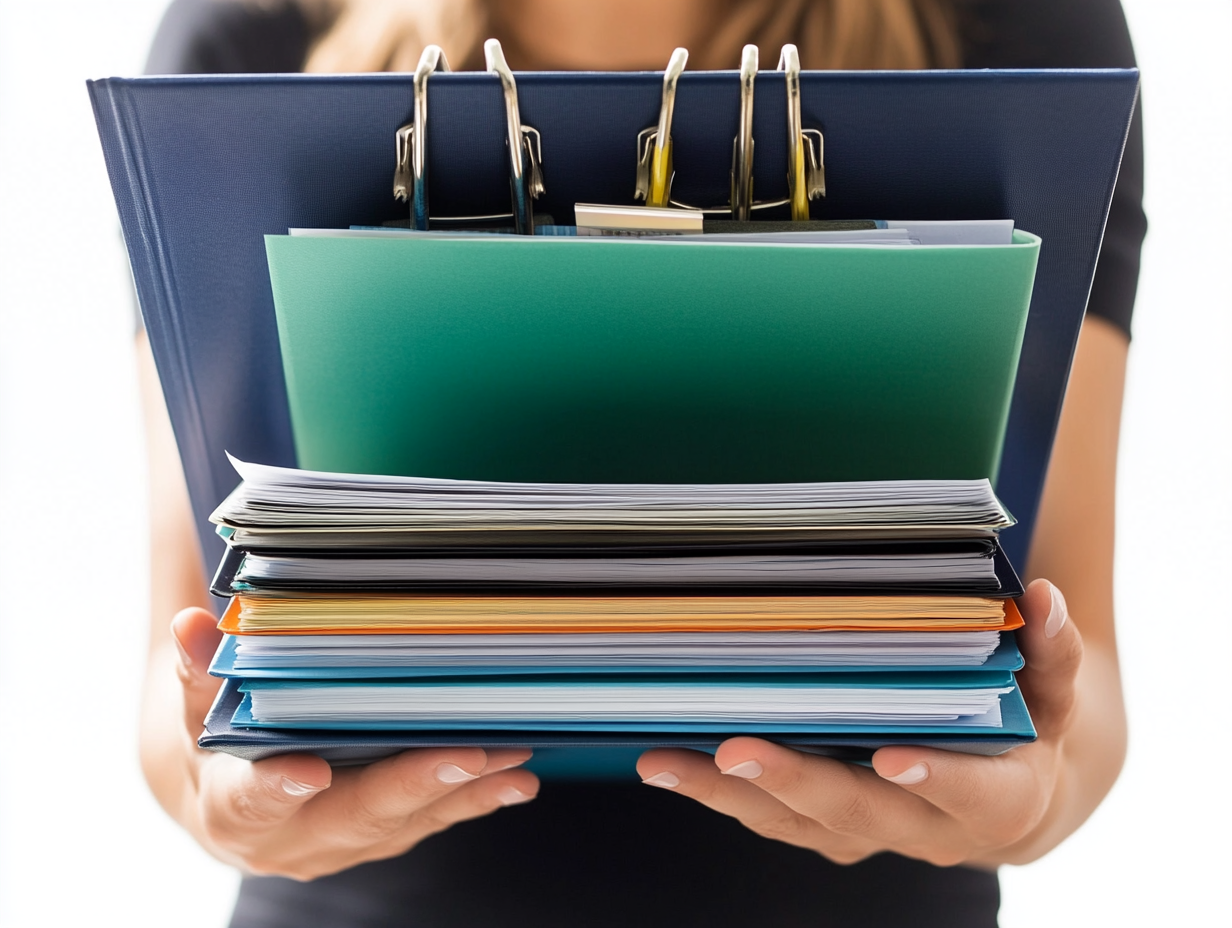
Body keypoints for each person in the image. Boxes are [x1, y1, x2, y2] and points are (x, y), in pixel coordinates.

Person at [137, 2, 1145, 925]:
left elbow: (1076, 657)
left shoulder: (1016, 26)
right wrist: (213, 796)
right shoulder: (251, 37)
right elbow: (177, 665)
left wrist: (1036, 798)